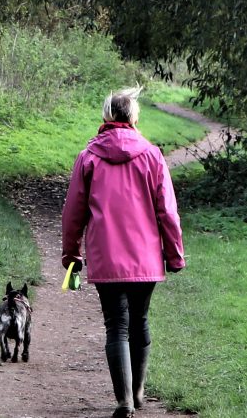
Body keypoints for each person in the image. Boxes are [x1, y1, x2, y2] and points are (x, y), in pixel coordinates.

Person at [61, 86, 186, 418]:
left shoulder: (88, 157)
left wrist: (71, 254)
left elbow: (73, 212)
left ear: (106, 116)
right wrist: (174, 254)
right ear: (133, 116)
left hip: (106, 257)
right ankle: (138, 391)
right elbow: (168, 213)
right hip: (145, 257)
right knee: (140, 320)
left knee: (116, 325)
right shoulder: (152, 155)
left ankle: (124, 401)